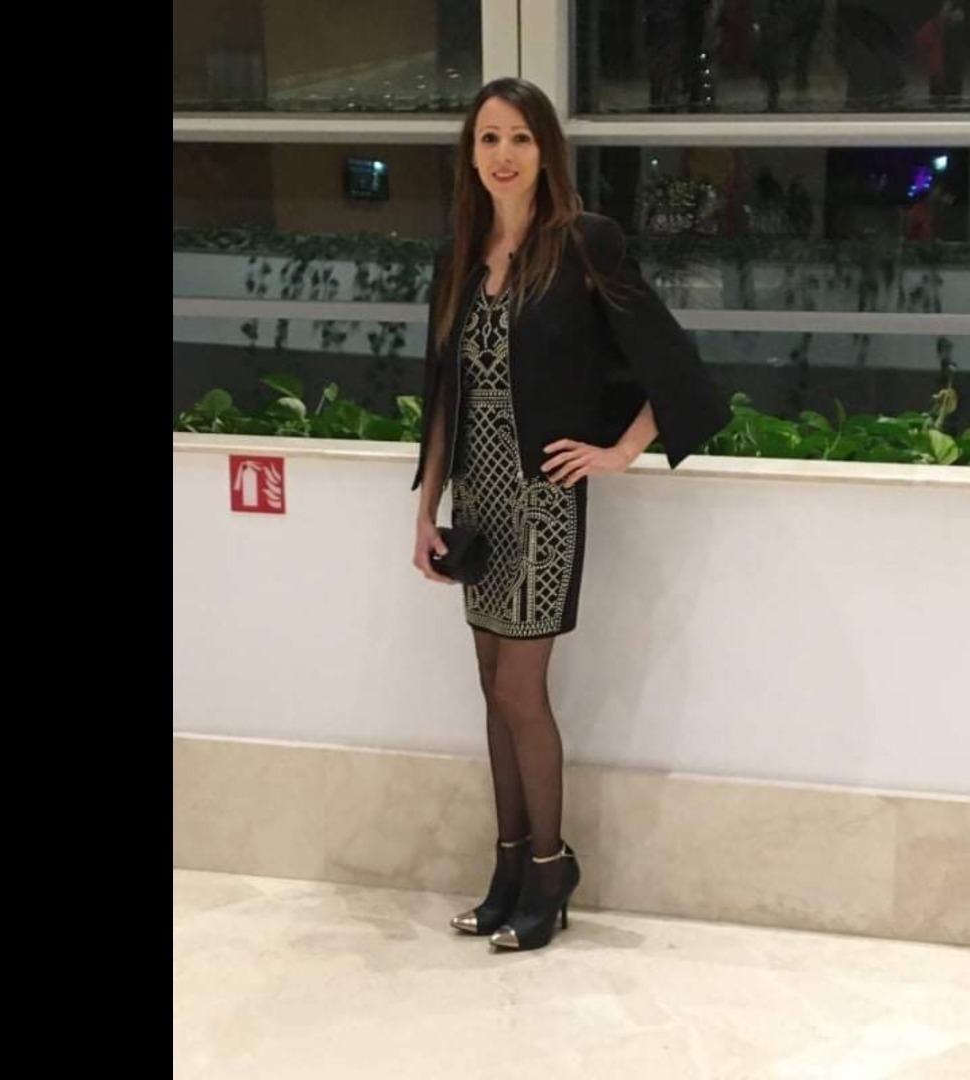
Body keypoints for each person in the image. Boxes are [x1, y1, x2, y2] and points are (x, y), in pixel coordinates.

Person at [410, 77, 730, 951]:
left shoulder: (584, 244)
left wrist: (619, 451)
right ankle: (509, 867)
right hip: (475, 505)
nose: (503, 155)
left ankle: (550, 872)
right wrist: (425, 511)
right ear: (470, 156)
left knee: (521, 690)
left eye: (519, 138)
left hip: (542, 503)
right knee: (490, 687)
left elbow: (674, 362)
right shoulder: (459, 257)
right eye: (488, 139)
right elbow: (442, 397)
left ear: (545, 149)